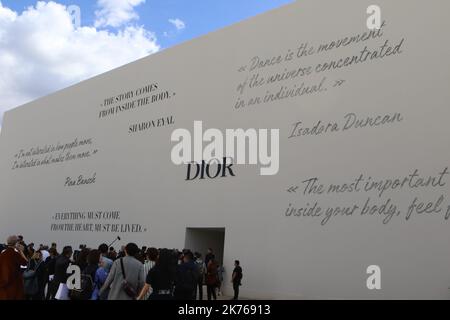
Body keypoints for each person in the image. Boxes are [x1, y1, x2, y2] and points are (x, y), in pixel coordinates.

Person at [0, 235, 28, 300]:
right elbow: (25, 263)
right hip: (14, 284)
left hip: (3, 284)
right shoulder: (16, 254)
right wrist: (21, 251)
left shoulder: (2, 254)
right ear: (15, 243)